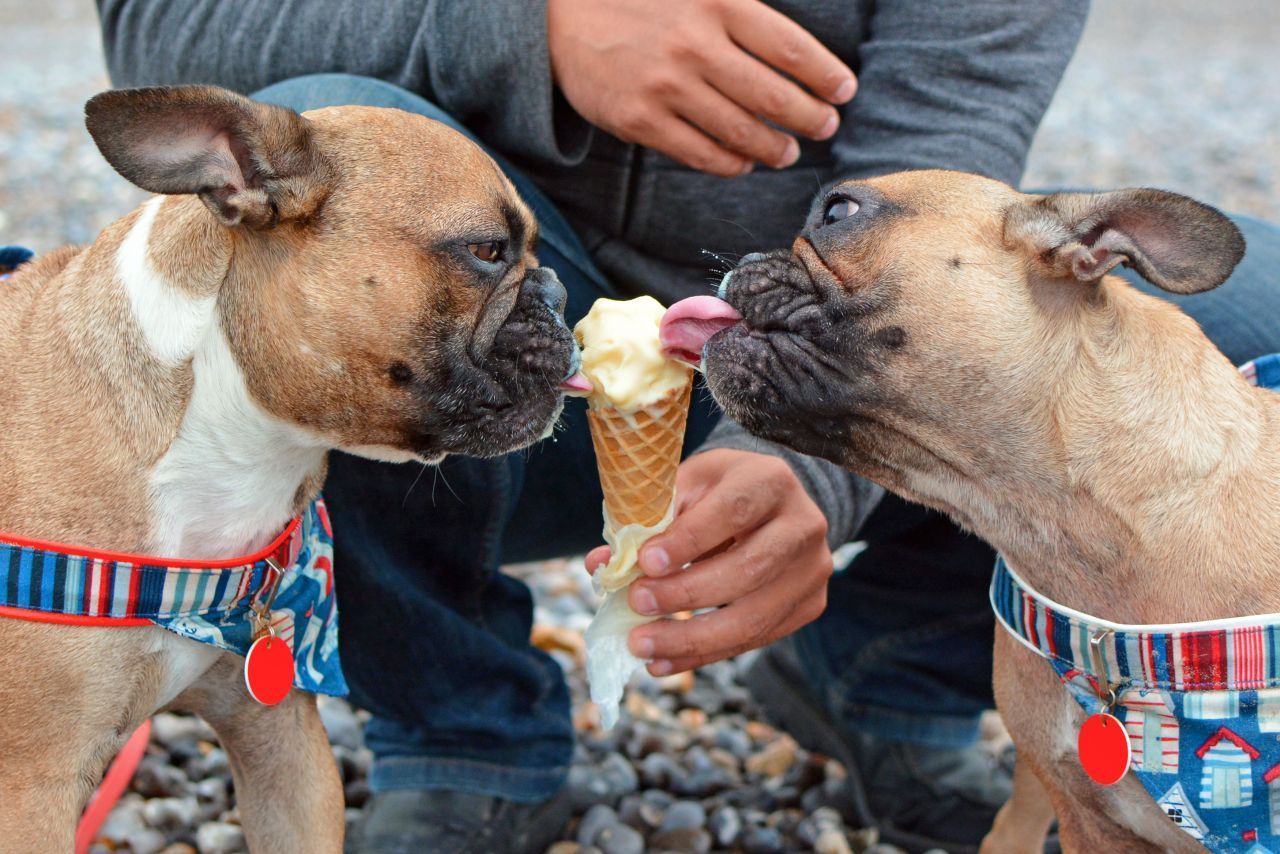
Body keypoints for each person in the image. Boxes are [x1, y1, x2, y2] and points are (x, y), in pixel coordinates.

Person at [94, 1, 1280, 851]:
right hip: (490, 367)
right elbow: (163, 32)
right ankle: (456, 721)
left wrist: (806, 474)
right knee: (319, 122)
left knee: (1240, 310)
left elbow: (945, 156)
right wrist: (530, 33)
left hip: (791, 342)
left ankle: (886, 671)